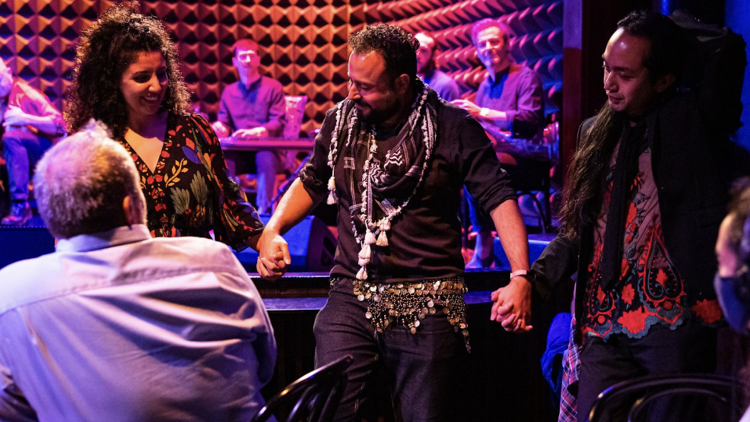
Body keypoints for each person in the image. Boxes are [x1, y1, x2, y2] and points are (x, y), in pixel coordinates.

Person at [255, 24, 532, 422]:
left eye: (365, 87)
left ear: (402, 83)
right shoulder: (341, 120)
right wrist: (273, 229)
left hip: (428, 297)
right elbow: (312, 181)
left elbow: (498, 197)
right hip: (352, 291)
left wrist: (520, 275)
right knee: (330, 411)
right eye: (350, 81)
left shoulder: (451, 126)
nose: (352, 93)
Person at [530, 10, 745, 422]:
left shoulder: (693, 121)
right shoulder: (595, 130)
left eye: (625, 74)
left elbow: (729, 48)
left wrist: (661, 29)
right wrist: (536, 281)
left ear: (664, 78)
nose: (609, 83)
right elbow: (577, 226)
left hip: (674, 324)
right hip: (601, 325)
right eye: (606, 68)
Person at [0, 121, 276, 422]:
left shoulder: (13, 295)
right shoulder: (216, 261)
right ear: (133, 206)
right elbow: (265, 365)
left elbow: (13, 409)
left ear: (50, 222)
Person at [65, 3, 264, 251]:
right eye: (141, 77)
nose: (157, 86)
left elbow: (231, 206)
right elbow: (72, 234)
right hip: (129, 283)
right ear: (112, 82)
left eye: (161, 74)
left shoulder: (194, 130)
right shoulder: (89, 146)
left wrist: (267, 243)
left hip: (196, 277)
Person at [452, 19, 546, 269]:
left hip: (526, 161)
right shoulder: (485, 84)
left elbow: (530, 119)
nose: (488, 47)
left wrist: (482, 112)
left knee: (477, 166)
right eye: (482, 44)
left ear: (506, 45)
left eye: (494, 41)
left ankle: (484, 246)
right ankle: (471, 243)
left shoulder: (526, 77)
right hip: (496, 158)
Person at [212, 38, 287, 215]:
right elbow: (224, 123)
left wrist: (255, 132)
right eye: (243, 56)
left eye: (251, 56)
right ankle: (228, 209)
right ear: (235, 62)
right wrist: (219, 127)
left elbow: (278, 122)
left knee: (265, 157)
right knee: (223, 157)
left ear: (258, 60)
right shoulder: (229, 92)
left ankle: (264, 211)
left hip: (266, 150)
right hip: (240, 152)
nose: (247, 60)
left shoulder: (273, 87)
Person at [0, 57, 66, 226]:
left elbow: (61, 128)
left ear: (8, 72)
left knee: (12, 138)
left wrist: (25, 119)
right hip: (15, 159)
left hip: (48, 154)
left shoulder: (26, 93)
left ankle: (20, 206)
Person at [414, 31, 460, 101]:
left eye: (423, 50)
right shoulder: (408, 83)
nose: (417, 55)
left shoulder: (446, 85)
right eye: (415, 49)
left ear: (435, 54)